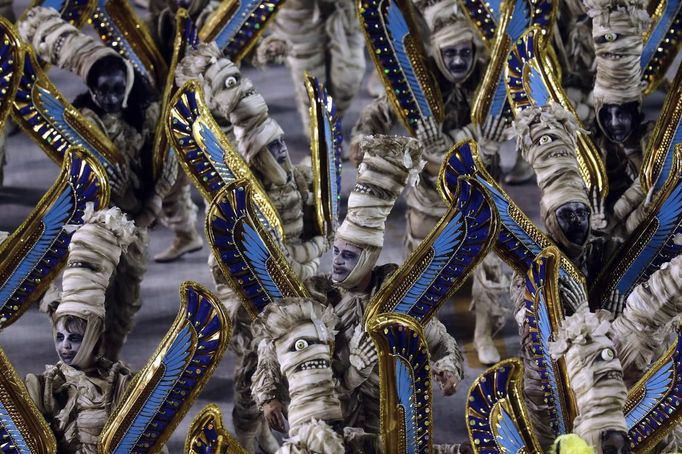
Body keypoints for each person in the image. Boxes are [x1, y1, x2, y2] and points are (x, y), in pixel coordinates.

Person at [253, 135, 465, 444]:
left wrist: (447, 365)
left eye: (348, 256)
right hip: (333, 417)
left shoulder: (397, 298)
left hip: (389, 415)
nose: (337, 262)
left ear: (369, 257)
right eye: (336, 252)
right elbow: (271, 347)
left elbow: (438, 338)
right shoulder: (315, 299)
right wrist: (270, 396)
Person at [26, 205, 136, 453]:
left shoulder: (120, 386)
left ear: (93, 336)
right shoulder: (43, 386)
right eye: (60, 337)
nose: (64, 346)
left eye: (75, 338)